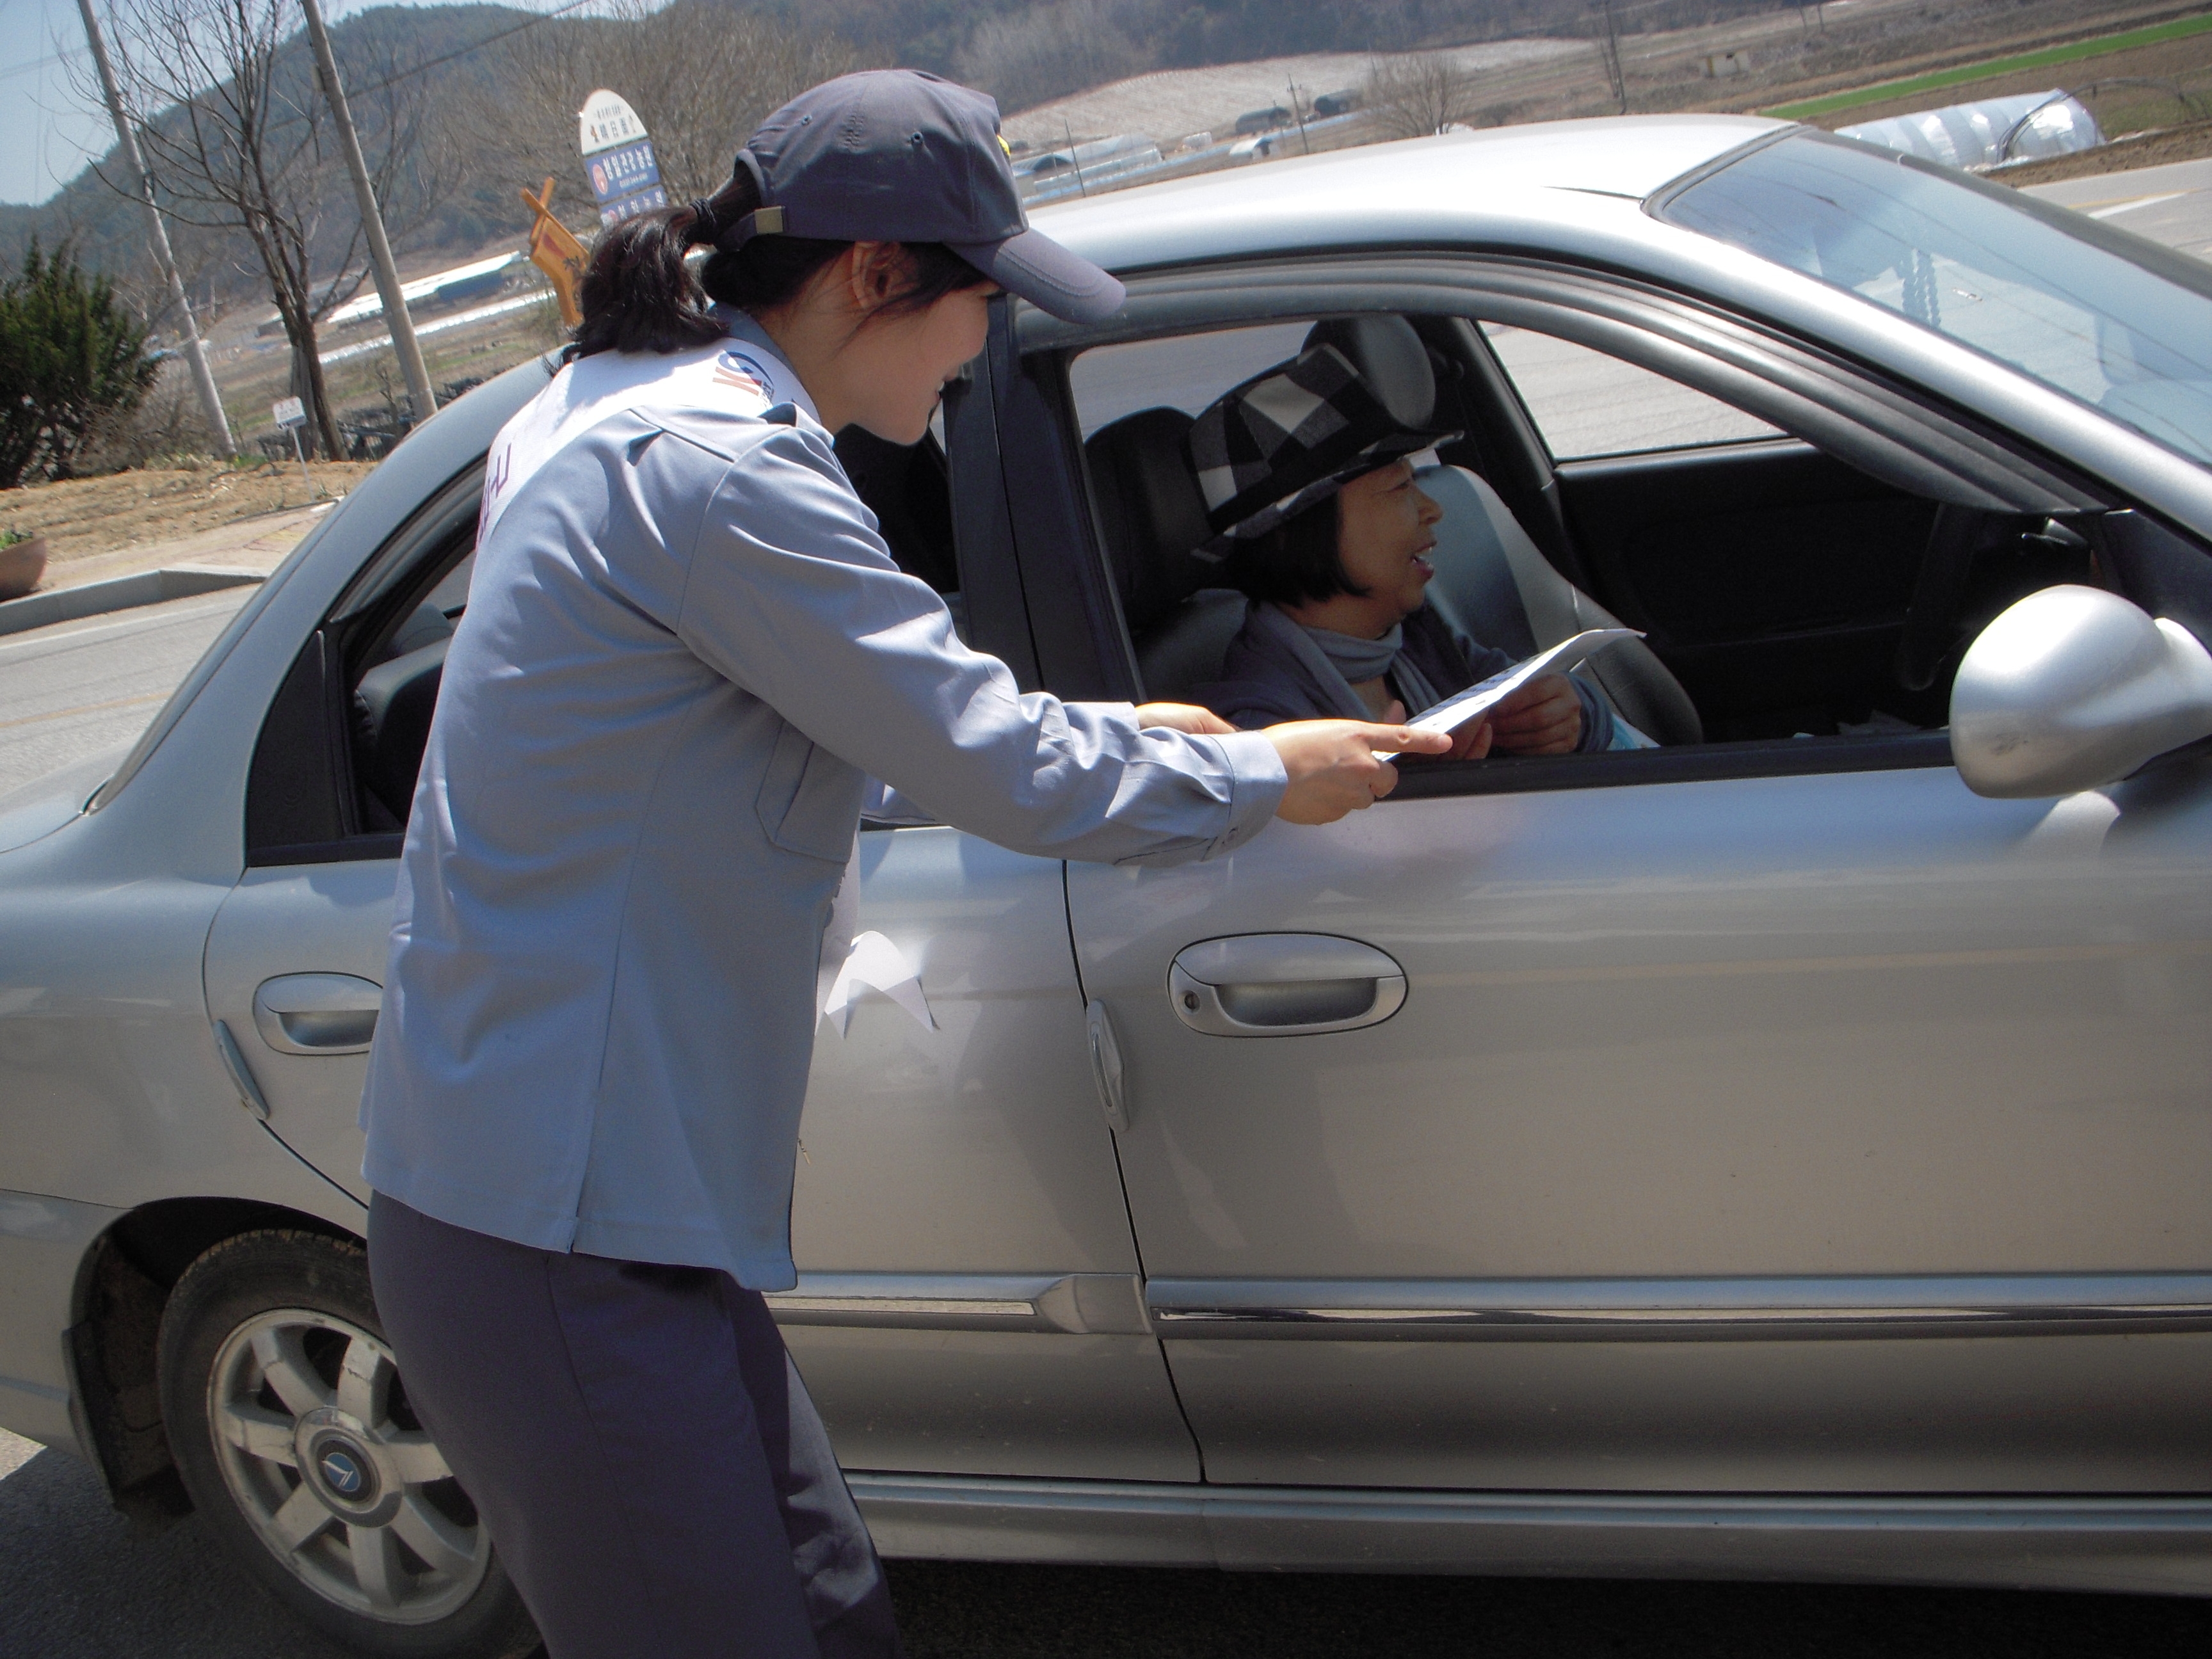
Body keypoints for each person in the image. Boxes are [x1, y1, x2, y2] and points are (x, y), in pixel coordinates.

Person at [359, 70, 1448, 1659]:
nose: (983, 342)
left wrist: (1115, 728)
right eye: (977, 298)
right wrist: (1258, 776)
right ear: (872, 274)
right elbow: (987, 763)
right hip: (558, 1228)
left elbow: (745, 722)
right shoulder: (721, 467)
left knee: (835, 1613)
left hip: (598, 1206)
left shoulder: (607, 407)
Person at [1186, 342, 1654, 754]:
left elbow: (1530, 694)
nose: (1433, 509)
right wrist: (1432, 788)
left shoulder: (1417, 640)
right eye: (1399, 487)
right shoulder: (1260, 731)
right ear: (1294, 532)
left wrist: (1570, 717)